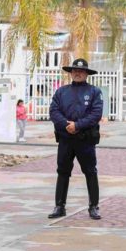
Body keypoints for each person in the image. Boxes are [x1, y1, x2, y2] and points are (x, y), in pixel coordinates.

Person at [48, 58, 103, 220]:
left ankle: (93, 206)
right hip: (66, 139)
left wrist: (77, 125)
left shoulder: (94, 92)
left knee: (90, 172)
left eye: (81, 71)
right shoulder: (61, 92)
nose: (78, 73)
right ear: (71, 73)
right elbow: (54, 111)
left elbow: (96, 114)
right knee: (63, 172)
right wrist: (66, 125)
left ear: (86, 73)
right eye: (75, 70)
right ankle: (60, 206)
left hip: (85, 140)